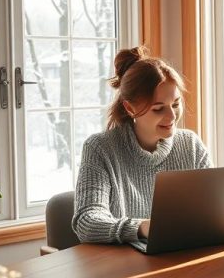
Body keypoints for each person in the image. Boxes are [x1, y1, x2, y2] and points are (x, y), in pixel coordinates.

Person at [73, 47, 211, 244]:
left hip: (180, 258)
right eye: (158, 109)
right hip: (124, 267)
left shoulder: (191, 144)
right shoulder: (100, 148)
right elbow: (87, 221)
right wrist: (141, 227)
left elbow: (213, 210)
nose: (172, 116)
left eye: (175, 104)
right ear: (130, 108)